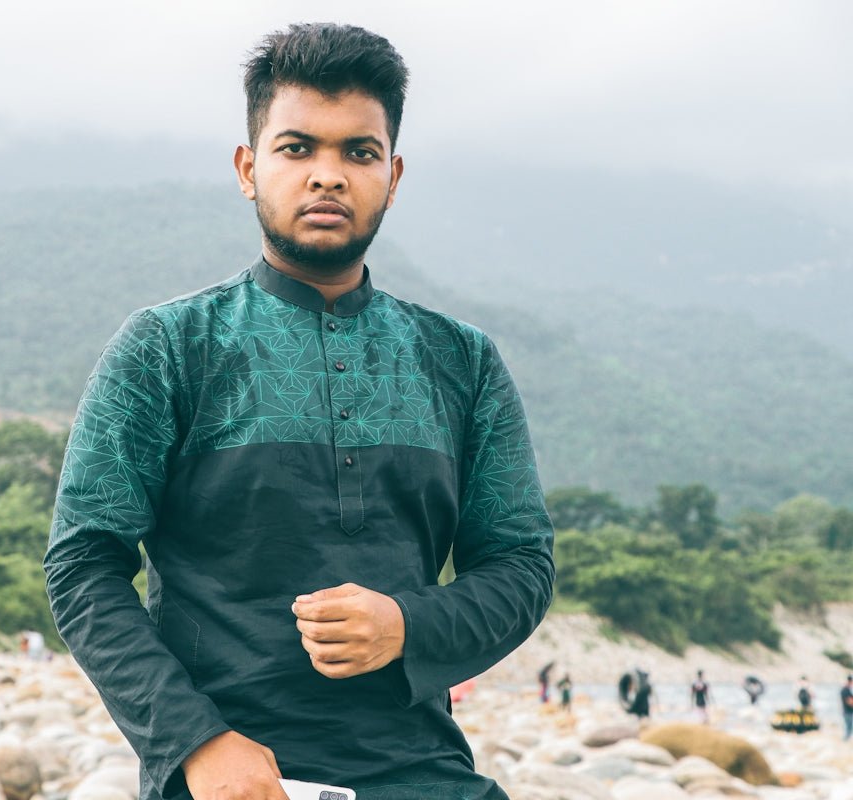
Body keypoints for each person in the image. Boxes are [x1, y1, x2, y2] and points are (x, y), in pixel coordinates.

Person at [44, 23, 555, 800]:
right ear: (249, 169)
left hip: (419, 770)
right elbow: (83, 563)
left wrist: (408, 626)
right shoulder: (168, 347)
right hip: (223, 775)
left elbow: (521, 564)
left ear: (394, 173)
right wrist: (196, 742)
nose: (329, 176)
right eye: (297, 149)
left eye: (359, 152)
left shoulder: (462, 361)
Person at [841, 675, 853, 741]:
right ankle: (845, 740)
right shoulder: (845, 690)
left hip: (847, 711)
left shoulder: (847, 690)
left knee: (849, 727)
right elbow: (849, 702)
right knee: (849, 727)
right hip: (847, 712)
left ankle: (846, 739)